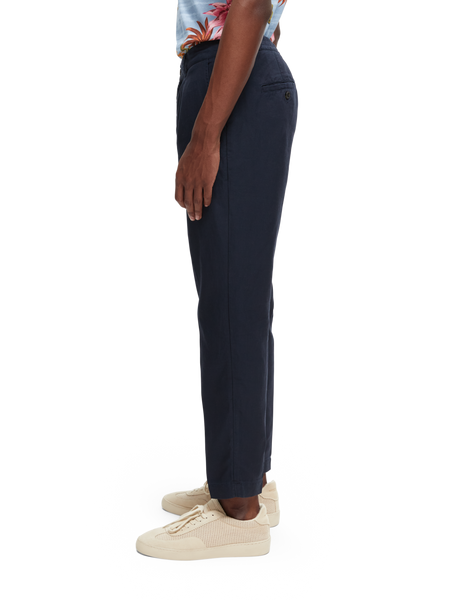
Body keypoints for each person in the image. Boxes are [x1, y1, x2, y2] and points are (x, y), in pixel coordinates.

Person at [135, 0, 298, 561]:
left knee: (232, 299)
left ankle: (238, 508)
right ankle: (245, 476)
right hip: (235, 75)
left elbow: (250, 5)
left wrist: (206, 136)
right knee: (237, 294)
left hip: (232, 84)